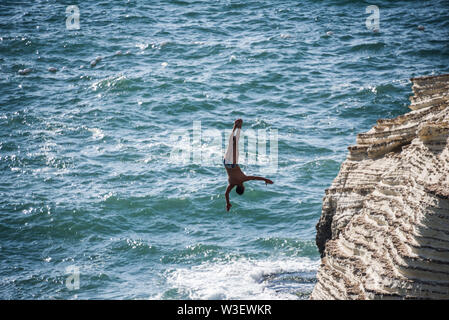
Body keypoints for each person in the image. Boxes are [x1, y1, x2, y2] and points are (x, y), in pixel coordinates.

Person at [223, 119, 273, 211]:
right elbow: (226, 194)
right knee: (231, 144)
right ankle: (235, 126)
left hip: (233, 163)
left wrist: (266, 180)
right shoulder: (231, 184)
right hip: (226, 163)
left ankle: (237, 125)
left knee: (235, 143)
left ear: (242, 187)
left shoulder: (243, 179)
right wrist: (227, 203)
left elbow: (255, 177)